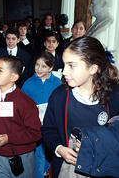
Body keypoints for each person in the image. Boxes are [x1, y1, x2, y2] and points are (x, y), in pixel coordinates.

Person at [41, 36, 119, 178]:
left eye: (71, 65)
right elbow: (48, 129)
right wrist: (59, 148)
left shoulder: (114, 96)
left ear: (93, 68)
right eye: (64, 65)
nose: (64, 72)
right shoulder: (59, 96)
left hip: (104, 169)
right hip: (68, 169)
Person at [0, 55, 42, 178]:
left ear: (14, 77)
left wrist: (9, 138)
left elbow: (36, 132)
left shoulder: (25, 102)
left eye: (0, 70)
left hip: (21, 156)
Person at [21, 52, 61, 178]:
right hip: (34, 125)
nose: (38, 69)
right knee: (39, 153)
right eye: (37, 65)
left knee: (47, 151)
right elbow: (22, 105)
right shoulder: (28, 83)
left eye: (43, 66)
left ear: (51, 67)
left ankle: (44, 170)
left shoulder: (58, 84)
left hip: (51, 124)